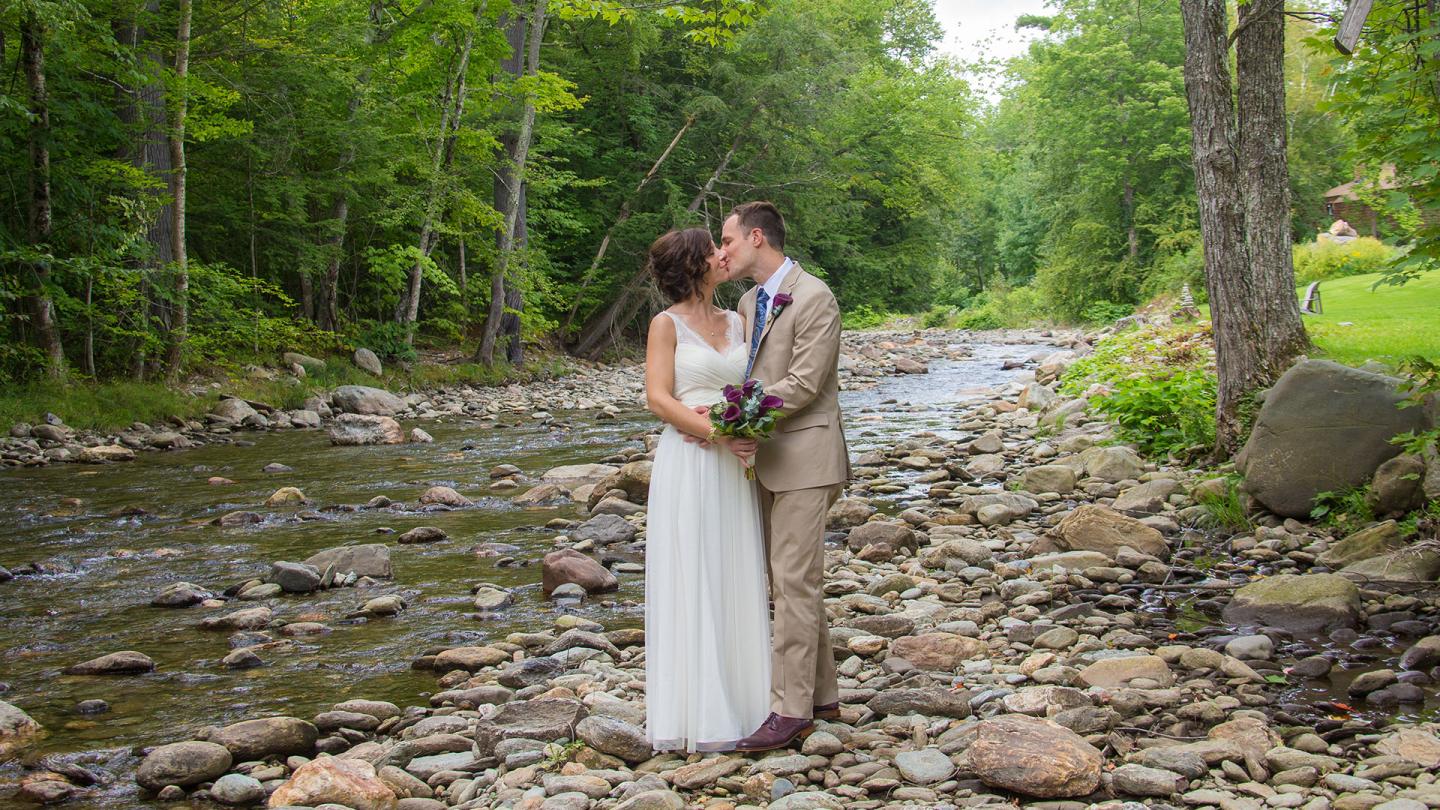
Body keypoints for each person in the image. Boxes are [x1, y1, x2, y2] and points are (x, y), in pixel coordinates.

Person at [721, 201, 851, 752]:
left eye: (726, 240)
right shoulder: (749, 301)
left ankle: (789, 710)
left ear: (756, 237)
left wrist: (736, 421)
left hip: (808, 456)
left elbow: (802, 382)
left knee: (794, 581)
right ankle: (822, 695)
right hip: (766, 458)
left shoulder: (816, 295)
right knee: (788, 582)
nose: (720, 250)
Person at [642, 226, 772, 753]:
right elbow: (658, 398)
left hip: (733, 466)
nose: (724, 255)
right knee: (694, 572)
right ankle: (698, 710)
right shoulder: (664, 325)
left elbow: (755, 387)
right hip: (690, 464)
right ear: (694, 265)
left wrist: (750, 433)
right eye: (713, 250)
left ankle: (749, 704)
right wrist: (720, 432)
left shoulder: (740, 319)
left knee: (734, 569)